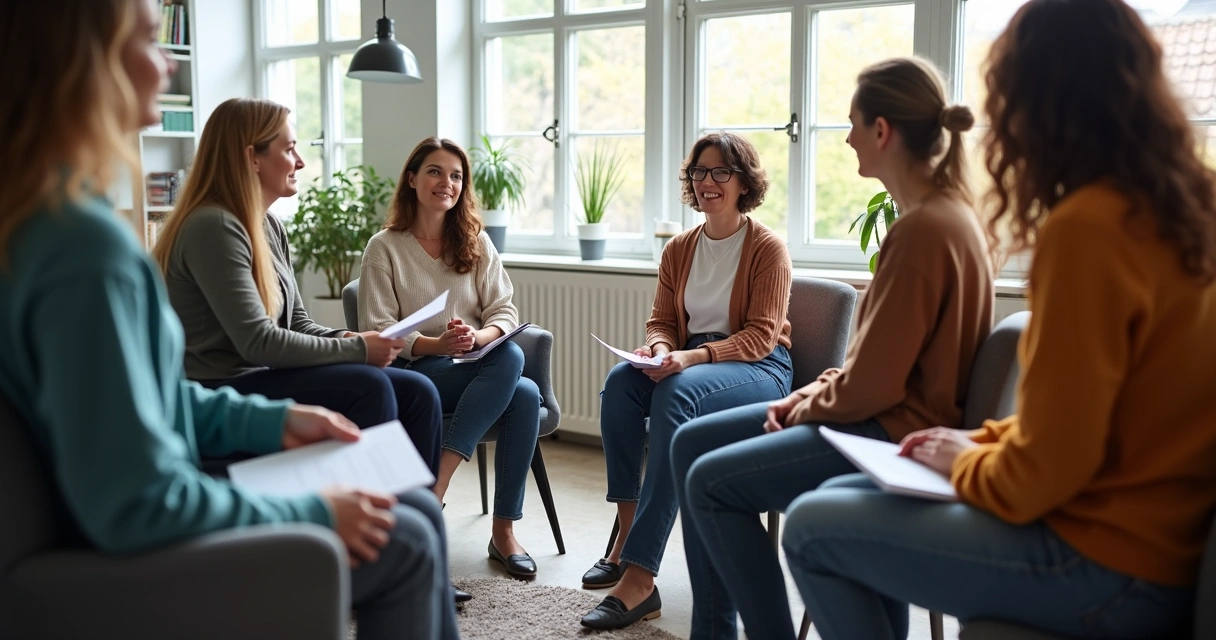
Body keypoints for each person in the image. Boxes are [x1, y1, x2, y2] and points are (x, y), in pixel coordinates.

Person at [0, 1, 459, 638]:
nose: (166, 62)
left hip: (149, 486)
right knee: (404, 534)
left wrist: (277, 418)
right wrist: (314, 510)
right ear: (83, 64)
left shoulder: (58, 224)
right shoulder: (83, 250)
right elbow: (136, 502)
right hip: (105, 556)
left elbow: (149, 402)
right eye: (146, 41)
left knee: (411, 505)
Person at [781, 1, 1216, 638]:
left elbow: (1043, 477)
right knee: (835, 503)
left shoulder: (1088, 230)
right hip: (1161, 539)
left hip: (1106, 563)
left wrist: (963, 463)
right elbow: (1101, 418)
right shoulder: (1188, 207)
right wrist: (979, 443)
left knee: (812, 528)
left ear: (1035, 105)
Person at [669, 57, 994, 640]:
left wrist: (801, 404)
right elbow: (873, 365)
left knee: (708, 481)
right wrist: (817, 392)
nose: (845, 138)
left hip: (889, 431)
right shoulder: (945, 218)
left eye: (851, 123)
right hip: (882, 414)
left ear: (882, 130)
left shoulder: (922, 230)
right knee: (690, 441)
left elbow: (874, 386)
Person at [151, 98, 444, 476]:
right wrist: (356, 350)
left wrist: (345, 335)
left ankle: (413, 513)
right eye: (289, 149)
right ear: (252, 158)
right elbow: (258, 342)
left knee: (418, 391)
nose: (301, 162)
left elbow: (297, 322)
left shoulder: (269, 226)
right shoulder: (214, 227)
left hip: (262, 374)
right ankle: (363, 514)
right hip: (220, 388)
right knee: (368, 386)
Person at [578, 132, 795, 630]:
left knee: (676, 391)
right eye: (699, 171)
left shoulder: (767, 248)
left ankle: (638, 576)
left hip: (758, 369)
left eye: (721, 172)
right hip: (693, 362)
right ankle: (628, 540)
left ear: (744, 182)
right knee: (621, 384)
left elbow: (762, 336)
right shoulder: (679, 248)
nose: (708, 182)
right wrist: (658, 351)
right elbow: (661, 322)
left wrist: (689, 358)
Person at [358, 137, 542, 578]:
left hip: (477, 363)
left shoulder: (475, 241)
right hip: (417, 371)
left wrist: (479, 337)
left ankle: (484, 520)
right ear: (413, 179)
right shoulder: (383, 247)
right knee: (518, 375)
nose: (447, 183)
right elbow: (379, 328)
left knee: (523, 389)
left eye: (456, 175)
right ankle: (480, 519)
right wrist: (436, 345)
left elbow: (504, 310)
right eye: (436, 172)